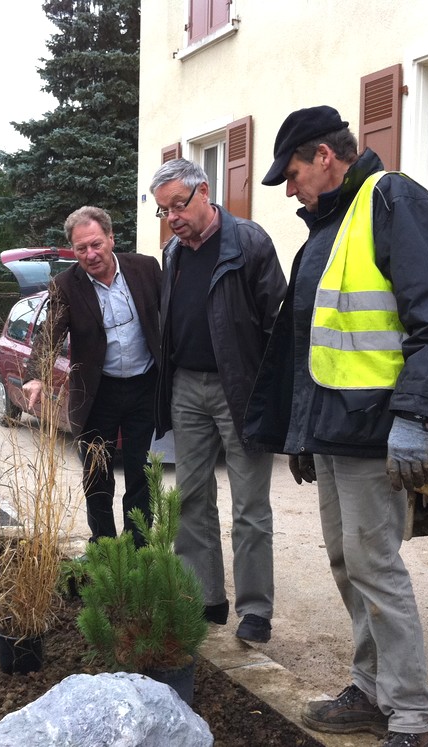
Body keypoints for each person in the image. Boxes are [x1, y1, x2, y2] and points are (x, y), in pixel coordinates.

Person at [244, 105, 428, 747]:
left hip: (379, 430)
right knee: (349, 564)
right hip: (335, 429)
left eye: (292, 173)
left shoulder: (390, 199)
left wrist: (414, 418)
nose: (289, 189)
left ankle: (413, 719)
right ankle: (371, 691)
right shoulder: (329, 226)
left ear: (325, 155)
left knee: (375, 567)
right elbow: (313, 343)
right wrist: (302, 431)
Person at [149, 158, 286, 644]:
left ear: (204, 191)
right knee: (191, 497)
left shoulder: (249, 243)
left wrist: (271, 396)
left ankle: (255, 611)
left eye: (178, 206)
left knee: (250, 505)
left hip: (240, 391)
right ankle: (204, 597)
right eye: (164, 210)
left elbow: (277, 324)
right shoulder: (173, 253)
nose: (172, 218)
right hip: (187, 387)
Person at [24, 206, 162, 546]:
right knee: (97, 476)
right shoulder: (66, 285)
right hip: (98, 394)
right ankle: (103, 548)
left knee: (140, 471)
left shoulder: (145, 268)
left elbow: (170, 315)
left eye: (96, 244)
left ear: (111, 239)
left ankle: (139, 547)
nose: (90, 254)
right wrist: (37, 375)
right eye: (81, 248)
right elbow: (51, 331)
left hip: (145, 387)